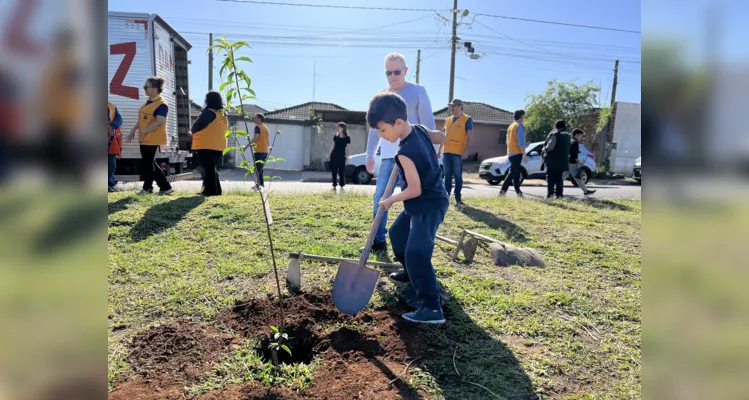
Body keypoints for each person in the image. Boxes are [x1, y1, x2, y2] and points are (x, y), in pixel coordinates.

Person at [367, 92, 448, 324]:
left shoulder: (404, 153)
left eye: (383, 131)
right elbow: (438, 136)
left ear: (398, 123)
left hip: (428, 204)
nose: (382, 136)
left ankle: (431, 308)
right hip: (423, 200)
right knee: (397, 234)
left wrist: (390, 199)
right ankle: (412, 274)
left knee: (417, 253)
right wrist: (442, 139)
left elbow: (414, 189)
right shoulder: (419, 129)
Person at [364, 52, 436, 255]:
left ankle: (413, 242)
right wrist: (370, 153)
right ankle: (378, 240)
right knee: (380, 196)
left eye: (397, 71)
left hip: (414, 155)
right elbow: (373, 129)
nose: (393, 76)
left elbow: (428, 123)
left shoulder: (417, 91)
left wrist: (432, 151)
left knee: (414, 197)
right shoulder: (382, 97)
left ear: (405, 71)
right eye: (389, 72)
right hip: (388, 157)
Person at [126, 76, 174, 195]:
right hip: (146, 137)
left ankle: (148, 188)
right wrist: (134, 129)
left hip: (152, 138)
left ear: (155, 88)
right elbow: (143, 120)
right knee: (150, 163)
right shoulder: (149, 102)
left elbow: (160, 121)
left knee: (148, 164)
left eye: (146, 87)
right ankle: (164, 187)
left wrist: (144, 131)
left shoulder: (161, 104)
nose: (144, 89)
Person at [191, 91, 228, 196]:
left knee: (208, 169)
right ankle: (216, 190)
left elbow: (198, 125)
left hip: (207, 145)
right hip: (219, 146)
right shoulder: (223, 114)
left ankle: (210, 191)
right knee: (211, 168)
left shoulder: (209, 112)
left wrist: (193, 131)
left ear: (207, 100)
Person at [441, 98, 473, 205]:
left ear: (460, 106)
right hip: (446, 152)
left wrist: (466, 150)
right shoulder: (447, 120)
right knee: (447, 175)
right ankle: (446, 196)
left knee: (458, 175)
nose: (452, 108)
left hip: (458, 152)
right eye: (451, 106)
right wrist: (439, 150)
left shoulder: (467, 119)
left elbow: (469, 136)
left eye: (453, 106)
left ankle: (458, 197)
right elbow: (442, 136)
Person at [499, 109, 528, 197]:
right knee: (512, 173)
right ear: (521, 116)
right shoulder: (519, 126)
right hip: (516, 153)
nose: (524, 118)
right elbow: (521, 143)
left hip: (510, 152)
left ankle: (518, 192)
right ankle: (502, 191)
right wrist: (525, 154)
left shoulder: (511, 126)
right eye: (524, 116)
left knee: (516, 172)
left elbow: (508, 141)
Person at [542, 120, 571, 198]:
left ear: (556, 126)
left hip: (553, 161)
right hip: (563, 161)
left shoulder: (555, 135)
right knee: (559, 179)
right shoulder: (568, 136)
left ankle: (550, 194)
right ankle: (559, 195)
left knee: (550, 178)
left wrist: (544, 149)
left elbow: (550, 147)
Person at [566, 129, 596, 196]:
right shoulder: (575, 142)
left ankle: (554, 189)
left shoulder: (570, 141)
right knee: (577, 177)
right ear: (576, 135)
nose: (581, 137)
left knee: (563, 175)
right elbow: (574, 155)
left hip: (567, 161)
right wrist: (580, 163)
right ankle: (586, 191)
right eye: (580, 136)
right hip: (572, 163)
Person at [243, 113, 269, 189]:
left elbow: (255, 138)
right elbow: (265, 140)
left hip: (259, 151)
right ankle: (259, 185)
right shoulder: (265, 128)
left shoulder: (257, 127)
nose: (253, 119)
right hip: (265, 151)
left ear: (259, 118)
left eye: (255, 118)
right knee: (260, 169)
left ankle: (261, 186)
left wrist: (246, 146)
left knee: (258, 169)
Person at [326, 122, 350, 190]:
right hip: (334, 156)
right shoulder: (335, 137)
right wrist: (329, 155)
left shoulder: (347, 138)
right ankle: (334, 184)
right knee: (334, 171)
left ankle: (342, 185)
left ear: (342, 128)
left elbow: (348, 149)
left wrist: (347, 158)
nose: (337, 128)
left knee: (342, 171)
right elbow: (332, 146)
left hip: (342, 156)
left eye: (339, 127)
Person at [108, 102, 123, 192]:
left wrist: (111, 126)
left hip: (110, 139)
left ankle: (109, 185)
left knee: (111, 164)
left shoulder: (112, 106)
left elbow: (119, 119)